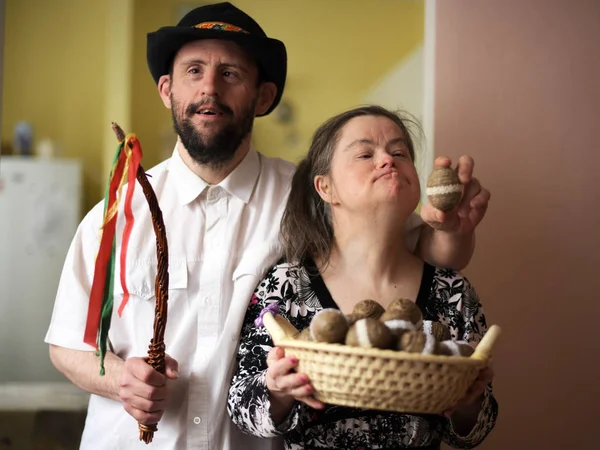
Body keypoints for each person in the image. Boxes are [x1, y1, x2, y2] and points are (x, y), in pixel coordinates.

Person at [44, 3, 490, 450]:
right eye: (193, 71)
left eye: (231, 74)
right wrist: (122, 379)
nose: (209, 89)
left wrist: (455, 228)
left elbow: (423, 256)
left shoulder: (307, 196)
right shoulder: (116, 213)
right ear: (167, 89)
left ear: (261, 96)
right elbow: (65, 344)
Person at [227, 105, 498, 450]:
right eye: (365, 153)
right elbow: (240, 407)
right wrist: (277, 390)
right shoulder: (287, 285)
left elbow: (475, 431)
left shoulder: (452, 290)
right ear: (326, 188)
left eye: (399, 152)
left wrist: (469, 401)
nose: (388, 159)